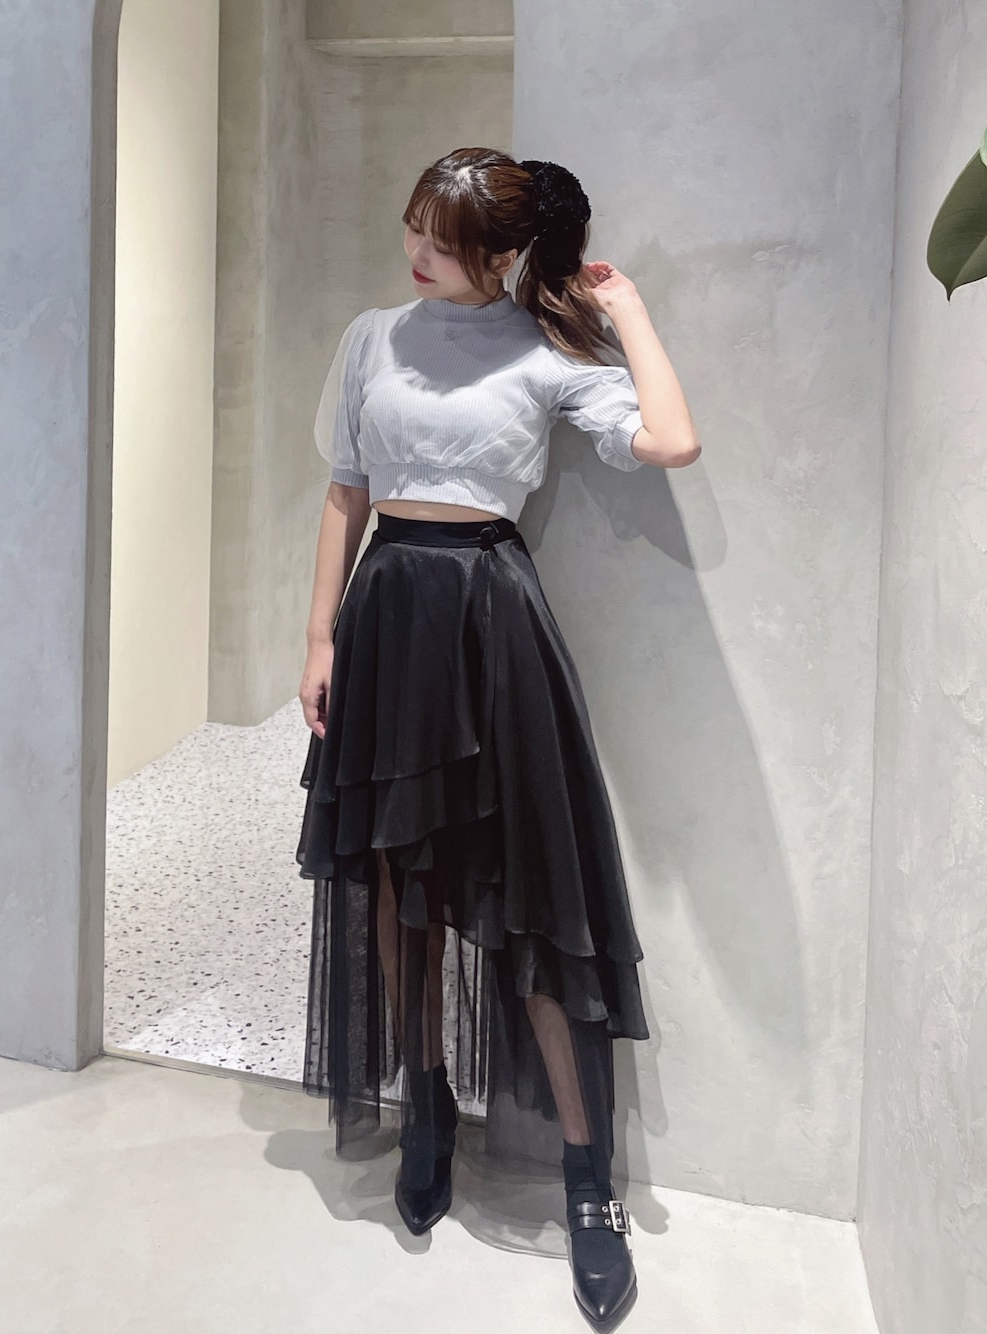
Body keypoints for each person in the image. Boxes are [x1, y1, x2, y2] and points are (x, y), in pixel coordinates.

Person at [296, 147, 700, 1330]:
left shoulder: (543, 348)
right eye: (413, 227)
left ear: (506, 254)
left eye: (445, 240)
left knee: (530, 892)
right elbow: (345, 488)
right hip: (385, 611)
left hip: (490, 618)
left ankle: (586, 1175)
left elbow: (671, 440)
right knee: (397, 879)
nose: (417, 253)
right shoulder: (373, 336)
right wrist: (317, 635)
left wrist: (627, 313)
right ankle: (423, 1104)